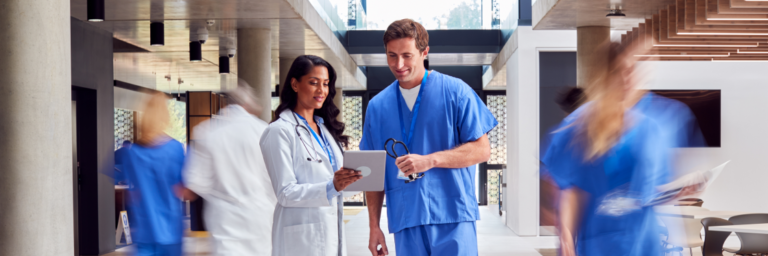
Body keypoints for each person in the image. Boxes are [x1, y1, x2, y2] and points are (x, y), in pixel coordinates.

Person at [541, 42, 699, 256]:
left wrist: (679, 191)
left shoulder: (650, 130)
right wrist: (566, 237)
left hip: (644, 244)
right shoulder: (580, 126)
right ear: (605, 76)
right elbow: (570, 189)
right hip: (600, 245)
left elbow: (649, 192)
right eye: (620, 72)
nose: (627, 79)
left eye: (633, 71)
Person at [361, 19, 498, 256]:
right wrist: (374, 226)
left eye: (407, 55)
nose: (398, 64)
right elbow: (371, 174)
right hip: (406, 219)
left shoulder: (456, 92)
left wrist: (431, 160)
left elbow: (482, 150)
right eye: (391, 55)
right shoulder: (377, 107)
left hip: (453, 216)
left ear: (425, 52)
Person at [260, 55, 363, 256]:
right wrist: (331, 186)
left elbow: (335, 186)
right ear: (295, 84)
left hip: (331, 232)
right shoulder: (279, 131)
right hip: (302, 240)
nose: (321, 90)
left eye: (325, 84)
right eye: (314, 83)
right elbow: (285, 193)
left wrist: (353, 180)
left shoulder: (325, 130)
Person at [184, 82, 278, 255]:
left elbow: (196, 185)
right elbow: (274, 178)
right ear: (247, 104)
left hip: (225, 220)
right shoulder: (263, 130)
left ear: (225, 104)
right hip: (260, 215)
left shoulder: (207, 132)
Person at [122, 92, 189, 256]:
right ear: (164, 116)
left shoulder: (132, 152)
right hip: (170, 230)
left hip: (144, 230)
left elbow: (132, 191)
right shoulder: (175, 149)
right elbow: (182, 190)